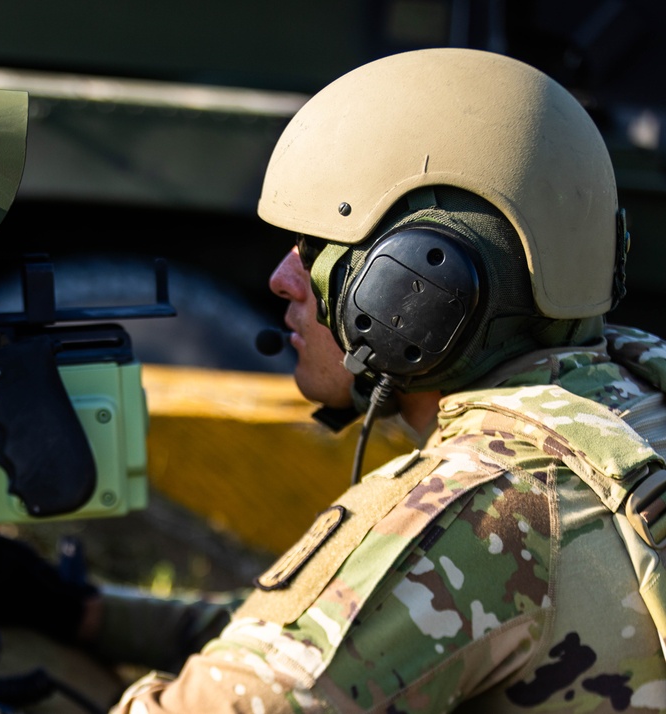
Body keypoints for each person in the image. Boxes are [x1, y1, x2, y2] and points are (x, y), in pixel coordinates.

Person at [110, 47, 666, 712]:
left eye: (313, 251)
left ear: (424, 280)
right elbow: (341, 625)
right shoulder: (632, 404)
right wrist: (92, 614)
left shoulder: (483, 505)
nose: (283, 280)